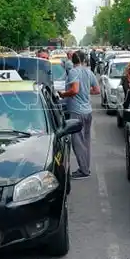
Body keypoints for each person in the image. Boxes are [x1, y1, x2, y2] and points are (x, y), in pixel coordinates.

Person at [58, 51, 100, 180]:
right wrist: (86, 93)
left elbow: (75, 90)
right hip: (87, 111)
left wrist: (63, 94)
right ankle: (86, 168)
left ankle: (83, 170)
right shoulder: (89, 72)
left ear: (73, 60)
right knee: (85, 142)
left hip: (77, 112)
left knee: (77, 142)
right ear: (84, 59)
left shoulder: (73, 72)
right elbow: (97, 90)